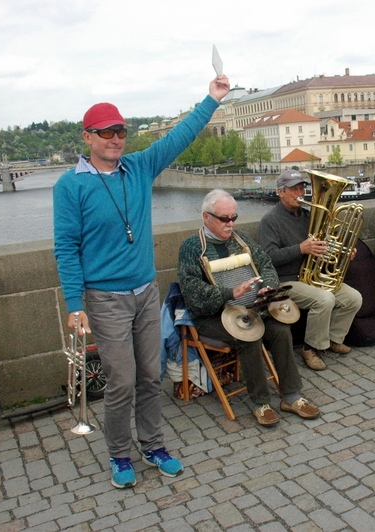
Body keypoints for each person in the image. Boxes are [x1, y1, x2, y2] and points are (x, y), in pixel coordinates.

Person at [53, 74, 231, 489]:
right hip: (105, 298)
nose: (116, 139)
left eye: (121, 132)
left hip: (145, 292)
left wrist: (212, 99)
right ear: (88, 136)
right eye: (107, 132)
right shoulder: (71, 185)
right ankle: (119, 454)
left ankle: (153, 445)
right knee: (121, 382)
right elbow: (66, 247)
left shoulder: (138, 167)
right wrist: (74, 305)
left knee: (150, 375)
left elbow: (179, 137)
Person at [178, 189, 321, 426]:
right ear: (206, 217)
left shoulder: (241, 240)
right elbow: (192, 293)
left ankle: (292, 395)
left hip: (249, 309)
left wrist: (266, 288)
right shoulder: (193, 248)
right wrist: (230, 292)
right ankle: (260, 402)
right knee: (249, 335)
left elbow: (266, 265)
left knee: (279, 327)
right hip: (213, 316)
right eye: (224, 218)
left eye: (234, 217)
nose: (230, 224)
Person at [258, 169, 362, 371]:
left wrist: (343, 252)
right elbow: (268, 258)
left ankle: (332, 339)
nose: (300, 194)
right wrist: (300, 249)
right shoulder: (270, 220)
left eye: (302, 189)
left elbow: (324, 246)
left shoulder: (309, 216)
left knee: (353, 298)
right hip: (286, 280)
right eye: (293, 189)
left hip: (312, 276)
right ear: (280, 191)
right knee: (324, 299)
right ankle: (310, 348)